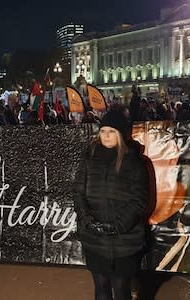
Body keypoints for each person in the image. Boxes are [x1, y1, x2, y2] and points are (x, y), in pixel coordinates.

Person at [73, 109, 150, 300]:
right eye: (103, 131)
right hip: (94, 239)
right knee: (100, 286)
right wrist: (88, 220)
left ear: (121, 134)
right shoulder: (89, 157)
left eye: (111, 131)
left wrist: (117, 226)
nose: (106, 136)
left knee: (120, 286)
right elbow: (78, 192)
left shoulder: (134, 162)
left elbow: (139, 201)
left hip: (124, 240)